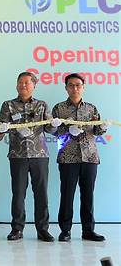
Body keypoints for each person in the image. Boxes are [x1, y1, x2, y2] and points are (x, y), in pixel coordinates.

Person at [0, 71, 56, 242]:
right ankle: (17, 229)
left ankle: (43, 230)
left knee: (41, 193)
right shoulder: (8, 105)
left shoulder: (42, 105)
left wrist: (53, 125)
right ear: (16, 85)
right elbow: (0, 133)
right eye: (20, 82)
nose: (23, 85)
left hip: (40, 155)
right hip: (18, 156)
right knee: (18, 194)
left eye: (27, 82)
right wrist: (1, 129)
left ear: (34, 85)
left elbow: (51, 129)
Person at [51, 73, 108, 242]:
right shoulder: (59, 108)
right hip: (68, 158)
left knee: (88, 195)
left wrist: (103, 127)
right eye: (71, 85)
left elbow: (97, 130)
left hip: (90, 157)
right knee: (67, 195)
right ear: (66, 87)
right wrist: (68, 131)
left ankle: (88, 230)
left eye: (78, 85)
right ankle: (65, 231)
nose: (74, 88)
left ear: (83, 87)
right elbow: (54, 131)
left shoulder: (91, 108)